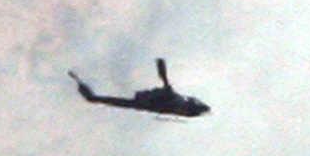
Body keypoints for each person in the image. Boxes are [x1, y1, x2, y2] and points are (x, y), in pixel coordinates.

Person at [68, 58, 211, 118]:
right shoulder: (176, 101)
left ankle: (78, 79)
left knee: (95, 98)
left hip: (143, 103)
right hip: (143, 102)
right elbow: (166, 86)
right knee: (96, 98)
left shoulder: (176, 103)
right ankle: (79, 78)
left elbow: (166, 85)